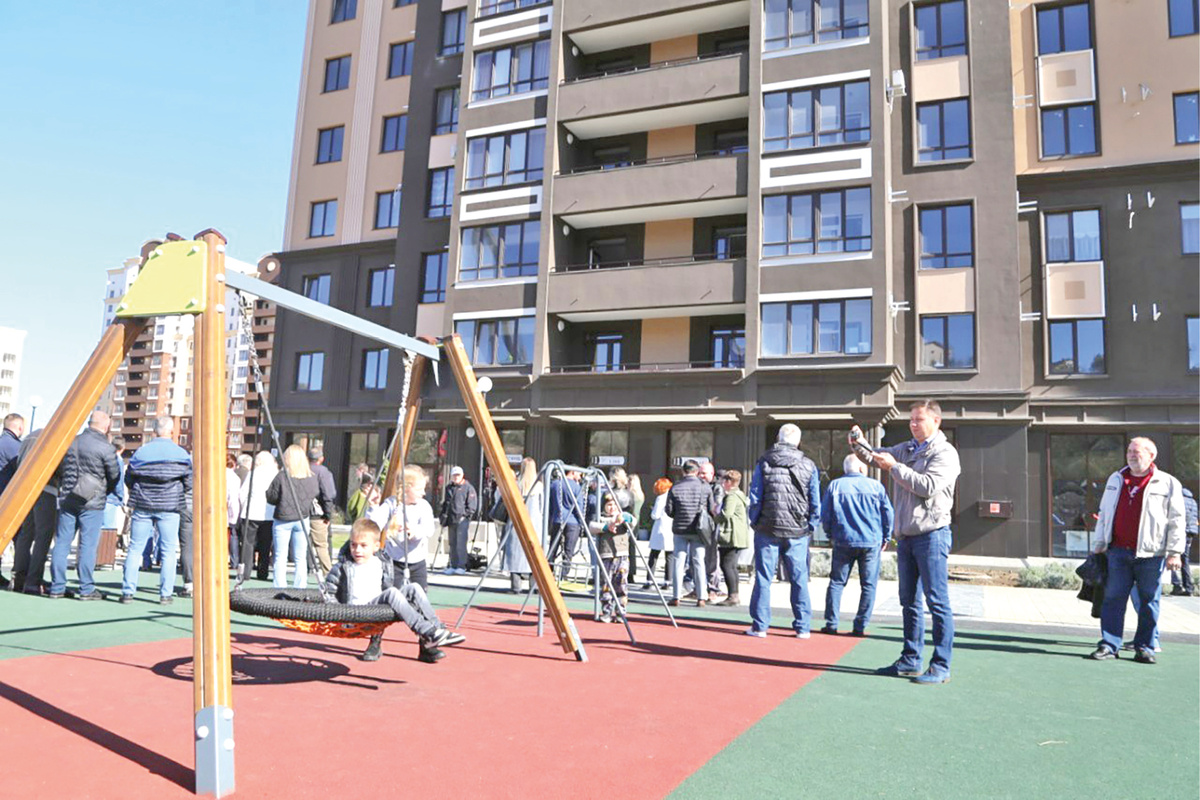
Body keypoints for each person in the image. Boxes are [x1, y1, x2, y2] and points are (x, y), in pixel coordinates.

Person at [852, 400, 961, 685]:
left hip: (932, 535)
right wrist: (858, 444)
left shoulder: (945, 453)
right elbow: (876, 457)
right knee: (909, 602)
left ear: (936, 421)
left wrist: (895, 468)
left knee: (937, 601)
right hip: (907, 537)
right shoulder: (908, 448)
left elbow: (927, 486)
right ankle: (910, 660)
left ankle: (940, 666)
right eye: (911, 419)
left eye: (919, 420)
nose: (913, 424)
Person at [1088, 437, 1186, 664]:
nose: (1131, 455)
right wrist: (1099, 542)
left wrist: (1174, 552)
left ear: (1152, 455)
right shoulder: (1116, 479)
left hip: (1151, 554)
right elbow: (1104, 512)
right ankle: (1109, 645)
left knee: (1149, 601)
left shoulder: (1168, 482)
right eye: (1129, 451)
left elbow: (1177, 519)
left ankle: (1145, 647)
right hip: (1117, 552)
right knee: (1113, 599)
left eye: (1137, 451)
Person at [323, 518, 465, 663]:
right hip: (357, 613)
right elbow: (329, 593)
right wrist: (340, 614)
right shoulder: (343, 566)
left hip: (376, 608)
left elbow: (385, 586)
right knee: (392, 592)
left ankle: (438, 629)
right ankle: (427, 631)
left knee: (414, 588)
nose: (357, 550)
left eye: (363, 545)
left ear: (376, 546)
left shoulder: (381, 562)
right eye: (353, 545)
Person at [746, 424, 821, 637]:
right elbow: (815, 499)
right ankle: (803, 627)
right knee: (799, 579)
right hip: (797, 529)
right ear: (798, 441)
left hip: (767, 527)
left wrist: (755, 520)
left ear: (778, 438)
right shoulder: (808, 465)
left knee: (763, 578)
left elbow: (755, 495)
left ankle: (760, 626)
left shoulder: (764, 461)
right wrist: (811, 524)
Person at [49, 411, 121, 600]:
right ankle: (86, 588)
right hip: (92, 501)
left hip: (68, 498)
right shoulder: (106, 447)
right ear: (106, 426)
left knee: (62, 543)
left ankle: (57, 587)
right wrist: (103, 490)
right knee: (88, 545)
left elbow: (59, 468)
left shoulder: (71, 442)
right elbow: (114, 475)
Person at [819, 455, 894, 636]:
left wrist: (830, 534)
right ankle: (860, 625)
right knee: (868, 585)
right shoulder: (876, 486)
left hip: (843, 539)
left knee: (837, 582)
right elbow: (888, 513)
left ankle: (831, 623)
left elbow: (825, 514)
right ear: (861, 468)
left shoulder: (835, 486)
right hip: (870, 540)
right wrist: (886, 536)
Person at [120, 417, 192, 604]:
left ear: (154, 431)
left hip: (142, 504)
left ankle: (128, 592)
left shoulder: (141, 452)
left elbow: (129, 478)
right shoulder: (182, 455)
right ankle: (165, 594)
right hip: (170, 506)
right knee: (168, 551)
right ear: (172, 431)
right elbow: (189, 482)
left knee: (135, 548)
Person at [367, 465, 436, 590]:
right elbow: (374, 524)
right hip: (394, 561)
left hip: (417, 562)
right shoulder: (391, 504)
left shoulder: (424, 506)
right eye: (419, 489)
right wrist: (373, 507)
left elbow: (429, 529)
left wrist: (416, 531)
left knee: (419, 593)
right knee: (392, 592)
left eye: (424, 489)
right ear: (406, 488)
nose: (423, 493)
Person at [9, 428, 59, 594]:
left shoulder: (29, 438)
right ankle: (33, 580)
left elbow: (19, 462)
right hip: (46, 488)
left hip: (25, 488)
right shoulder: (54, 436)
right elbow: (59, 466)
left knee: (26, 533)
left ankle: (19, 577)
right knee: (43, 536)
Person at [265, 445, 321, 589]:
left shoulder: (281, 477)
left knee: (280, 556)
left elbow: (271, 497)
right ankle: (300, 586)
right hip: (302, 518)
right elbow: (315, 493)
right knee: (300, 557)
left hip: (283, 518)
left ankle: (280, 586)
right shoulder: (311, 478)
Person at [665, 460, 715, 607]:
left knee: (678, 562)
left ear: (683, 471)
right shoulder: (705, 487)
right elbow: (711, 508)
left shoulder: (676, 486)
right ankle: (701, 596)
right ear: (697, 471)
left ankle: (676, 596)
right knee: (699, 562)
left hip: (680, 528)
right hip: (698, 529)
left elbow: (669, 510)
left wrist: (679, 515)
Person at [501, 457, 544, 593]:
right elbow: (542, 508)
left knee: (515, 554)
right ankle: (534, 586)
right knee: (534, 555)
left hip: (517, 523)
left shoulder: (516, 485)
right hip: (535, 525)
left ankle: (516, 586)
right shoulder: (539, 487)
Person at [591, 493, 634, 622]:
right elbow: (592, 526)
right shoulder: (601, 518)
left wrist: (624, 517)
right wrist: (606, 527)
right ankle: (607, 611)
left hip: (622, 556)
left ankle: (621, 611)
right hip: (607, 555)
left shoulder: (622, 518)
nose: (612, 508)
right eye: (609, 505)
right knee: (606, 584)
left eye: (615, 505)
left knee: (621, 583)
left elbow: (633, 521)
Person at [238, 451, 278, 580]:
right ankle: (262, 571)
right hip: (269, 514)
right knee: (265, 545)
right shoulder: (275, 474)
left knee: (247, 544)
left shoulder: (252, 474)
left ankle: (245, 572)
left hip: (251, 512)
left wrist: (243, 507)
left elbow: (243, 493)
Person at [716, 469, 750, 606]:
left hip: (731, 535)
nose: (722, 483)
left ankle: (732, 596)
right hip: (739, 535)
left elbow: (727, 514)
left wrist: (714, 516)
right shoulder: (740, 495)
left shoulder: (732, 496)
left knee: (727, 565)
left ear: (729, 482)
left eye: (724, 481)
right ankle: (734, 595)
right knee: (732, 566)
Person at [547, 466, 585, 581]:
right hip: (573, 521)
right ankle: (563, 575)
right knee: (568, 550)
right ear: (572, 472)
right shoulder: (576, 487)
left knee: (553, 547)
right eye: (579, 474)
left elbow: (550, 504)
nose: (580, 477)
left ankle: (549, 572)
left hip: (557, 519)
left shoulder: (554, 484)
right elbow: (579, 507)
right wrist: (582, 522)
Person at [439, 465, 478, 575]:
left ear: (462, 475)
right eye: (454, 475)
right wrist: (443, 516)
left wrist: (464, 516)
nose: (456, 477)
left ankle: (461, 566)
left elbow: (472, 506)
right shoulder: (449, 487)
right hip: (451, 519)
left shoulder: (468, 487)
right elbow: (446, 503)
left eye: (458, 475)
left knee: (461, 544)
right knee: (452, 543)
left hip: (462, 520)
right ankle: (453, 565)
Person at [0, 412, 24, 588]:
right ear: (20, 427)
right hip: (7, 498)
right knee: (19, 537)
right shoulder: (14, 447)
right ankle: (20, 575)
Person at [307, 447, 337, 574]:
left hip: (301, 512)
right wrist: (328, 515)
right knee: (321, 545)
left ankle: (306, 569)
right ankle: (328, 573)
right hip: (317, 514)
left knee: (303, 544)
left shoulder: (301, 470)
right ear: (321, 459)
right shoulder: (323, 472)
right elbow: (328, 495)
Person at [699, 461, 725, 597]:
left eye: (705, 473)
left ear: (712, 474)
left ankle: (713, 587)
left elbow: (716, 507)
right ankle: (698, 587)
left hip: (711, 526)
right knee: (698, 558)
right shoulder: (698, 485)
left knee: (712, 558)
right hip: (698, 526)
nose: (702, 476)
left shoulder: (717, 487)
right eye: (700, 473)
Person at [644, 477, 673, 589]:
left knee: (654, 555)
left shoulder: (660, 498)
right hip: (670, 528)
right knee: (669, 556)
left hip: (660, 527)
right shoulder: (672, 497)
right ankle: (667, 581)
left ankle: (649, 580)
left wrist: (652, 511)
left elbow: (655, 515)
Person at [1170, 486, 1197, 596]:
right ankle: (1189, 587)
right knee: (1185, 559)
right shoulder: (1193, 501)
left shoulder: (1180, 500)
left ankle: (1177, 585)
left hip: (1181, 532)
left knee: (1171, 556)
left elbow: (1179, 517)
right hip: (1190, 533)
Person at [629, 473, 645, 583]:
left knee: (628, 548)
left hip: (631, 522)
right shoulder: (640, 495)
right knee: (632, 548)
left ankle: (629, 572)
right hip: (636, 522)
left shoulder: (631, 495)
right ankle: (632, 572)